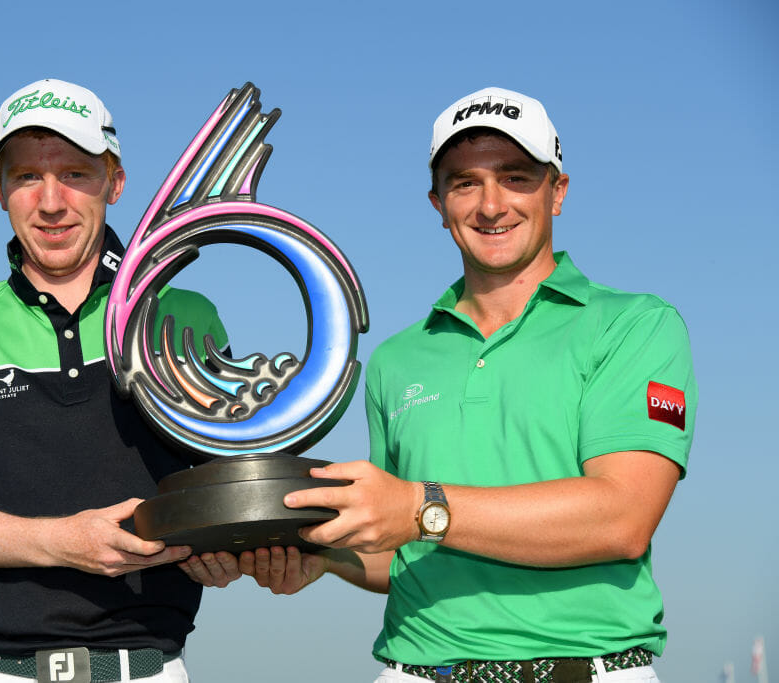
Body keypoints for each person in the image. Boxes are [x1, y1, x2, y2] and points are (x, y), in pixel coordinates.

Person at [240, 87, 697, 683]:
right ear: (438, 203)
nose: (490, 205)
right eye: (464, 183)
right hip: (415, 670)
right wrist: (327, 556)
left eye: (515, 177)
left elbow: (623, 518)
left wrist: (416, 506)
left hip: (584, 668)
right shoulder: (396, 359)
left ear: (557, 191)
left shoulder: (635, 325)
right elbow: (403, 547)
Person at [0, 78, 241, 683]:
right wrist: (61, 542)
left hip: (149, 668)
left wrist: (232, 546)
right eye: (26, 176)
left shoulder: (186, 318)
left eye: (74, 173)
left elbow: (223, 485)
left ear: (115, 182)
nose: (51, 202)